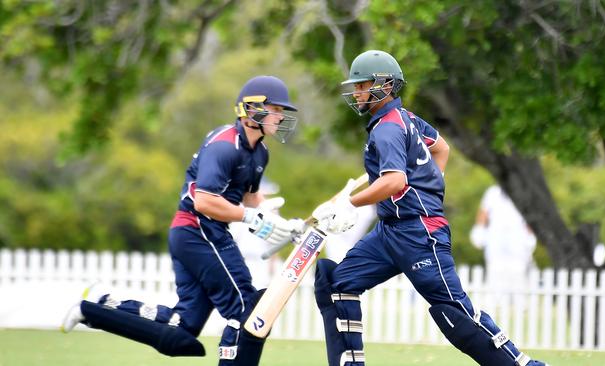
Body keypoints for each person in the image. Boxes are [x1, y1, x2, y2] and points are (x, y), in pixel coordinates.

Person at [311, 50, 549, 366]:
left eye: (361, 85)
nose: (356, 93)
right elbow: (441, 147)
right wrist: (428, 182)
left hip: (419, 232)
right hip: (388, 232)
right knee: (337, 283)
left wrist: (349, 203)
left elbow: (394, 181)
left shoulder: (389, 127)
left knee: (454, 313)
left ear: (383, 85)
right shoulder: (404, 118)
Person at [61, 75, 302, 366]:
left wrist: (284, 224)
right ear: (252, 110)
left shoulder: (260, 151)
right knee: (245, 309)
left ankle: (97, 307)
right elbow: (205, 201)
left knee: (182, 328)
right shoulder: (224, 145)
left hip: (195, 232)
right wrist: (252, 218)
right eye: (276, 109)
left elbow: (250, 197)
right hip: (198, 229)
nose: (281, 116)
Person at [470, 185, 537, 310]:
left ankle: (520, 303)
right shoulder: (492, 192)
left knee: (518, 268)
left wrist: (530, 234)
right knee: (495, 267)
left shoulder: (523, 192)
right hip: (495, 236)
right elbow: (484, 212)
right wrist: (479, 229)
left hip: (517, 236)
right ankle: (495, 301)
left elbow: (530, 215)